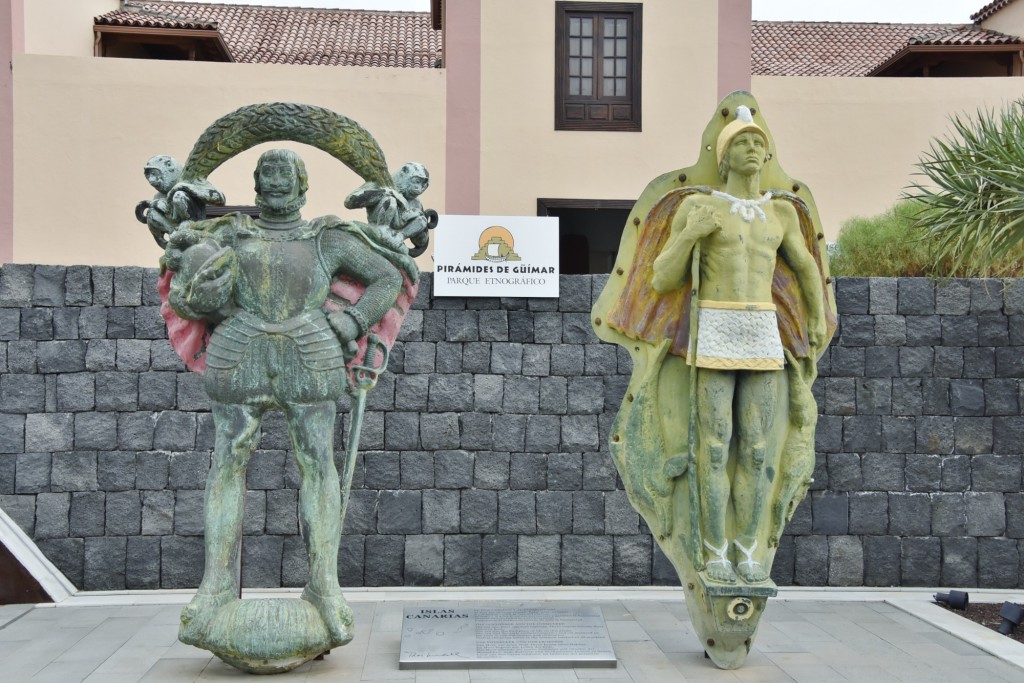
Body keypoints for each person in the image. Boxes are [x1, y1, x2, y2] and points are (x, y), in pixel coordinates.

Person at [166, 149, 407, 645]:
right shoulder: (230, 233)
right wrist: (191, 266)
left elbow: (385, 277)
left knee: (319, 463)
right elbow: (182, 273)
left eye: (283, 172)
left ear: (302, 183)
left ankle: (325, 584)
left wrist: (354, 320)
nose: (274, 180)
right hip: (239, 352)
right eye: (266, 171)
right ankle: (214, 587)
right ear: (254, 182)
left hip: (310, 355)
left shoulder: (327, 237)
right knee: (226, 462)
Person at [648, 107, 826, 584]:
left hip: (763, 330)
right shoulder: (699, 206)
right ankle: (714, 550)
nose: (754, 148)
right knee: (713, 445)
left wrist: (814, 317)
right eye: (743, 142)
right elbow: (662, 277)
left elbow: (807, 269)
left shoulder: (782, 211)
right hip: (714, 328)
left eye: (758, 141)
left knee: (756, 450)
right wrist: (690, 234)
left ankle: (748, 549)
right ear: (724, 155)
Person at [345, 162, 434, 255]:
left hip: (397, 238)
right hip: (379, 229)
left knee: (422, 219)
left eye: (423, 186)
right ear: (404, 172)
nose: (418, 188)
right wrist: (386, 192)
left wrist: (419, 229)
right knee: (390, 201)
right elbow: (350, 202)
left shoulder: (416, 203)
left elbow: (421, 242)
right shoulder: (381, 184)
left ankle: (398, 237)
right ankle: (383, 234)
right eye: (416, 181)